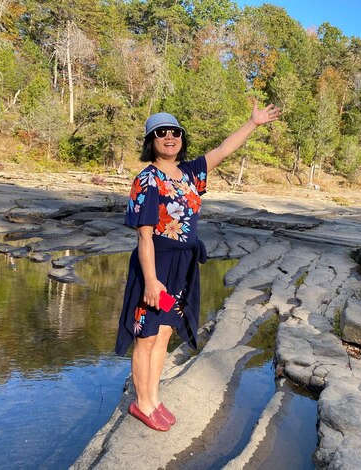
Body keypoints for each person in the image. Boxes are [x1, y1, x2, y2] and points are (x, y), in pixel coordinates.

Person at [115, 101, 281, 431]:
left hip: (182, 266)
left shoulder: (190, 173)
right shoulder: (147, 180)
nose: (169, 137)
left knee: (163, 334)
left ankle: (154, 397)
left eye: (174, 131)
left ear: (181, 137)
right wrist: (150, 281)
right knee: (145, 336)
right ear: (151, 141)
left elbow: (223, 149)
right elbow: (144, 237)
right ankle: (141, 403)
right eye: (160, 133)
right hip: (156, 266)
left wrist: (253, 123)